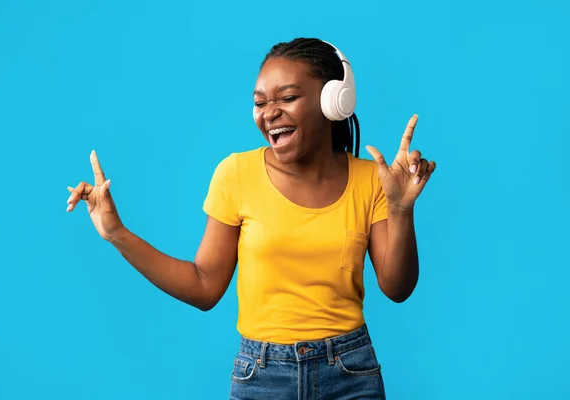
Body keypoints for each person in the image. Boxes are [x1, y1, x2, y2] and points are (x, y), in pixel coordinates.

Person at [66, 37, 436, 400]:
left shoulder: (372, 179)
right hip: (263, 374)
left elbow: (397, 288)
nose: (269, 112)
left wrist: (401, 209)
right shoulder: (236, 174)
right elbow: (204, 286)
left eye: (288, 98)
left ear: (333, 101)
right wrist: (116, 233)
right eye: (260, 103)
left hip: (349, 371)